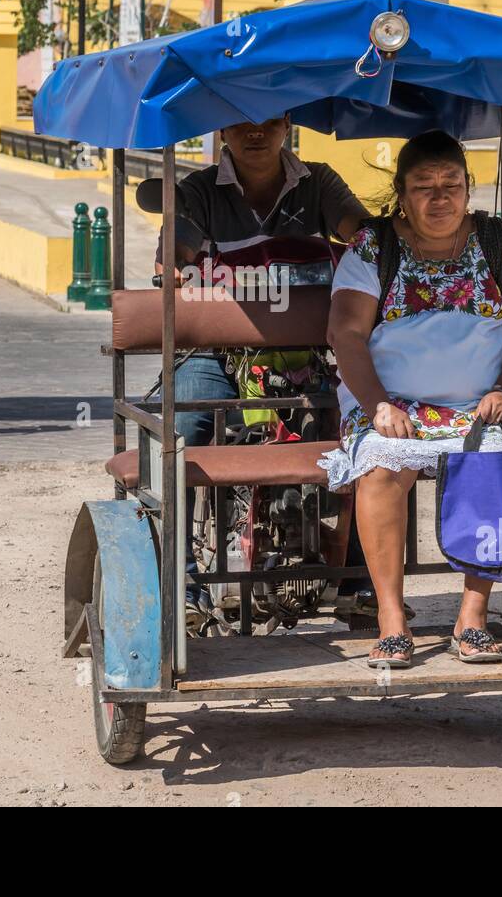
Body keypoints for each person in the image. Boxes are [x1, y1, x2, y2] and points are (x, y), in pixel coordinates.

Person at [319, 129, 502, 667]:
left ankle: (472, 618)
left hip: (480, 406)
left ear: (468, 188)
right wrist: (377, 404)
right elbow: (346, 334)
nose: (440, 197)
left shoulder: (499, 244)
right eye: (424, 186)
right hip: (389, 403)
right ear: (402, 191)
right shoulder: (373, 247)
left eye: (452, 184)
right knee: (380, 469)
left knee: (495, 458)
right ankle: (391, 620)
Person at [156, 114, 370, 625]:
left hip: (303, 352)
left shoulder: (318, 183)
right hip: (214, 350)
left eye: (269, 119)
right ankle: (184, 584)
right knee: (184, 429)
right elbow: (175, 254)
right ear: (221, 130)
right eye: (239, 121)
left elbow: (362, 235)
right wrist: (178, 258)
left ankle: (357, 582)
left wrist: (385, 237)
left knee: (365, 432)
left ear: (289, 123)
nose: (256, 131)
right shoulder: (197, 190)